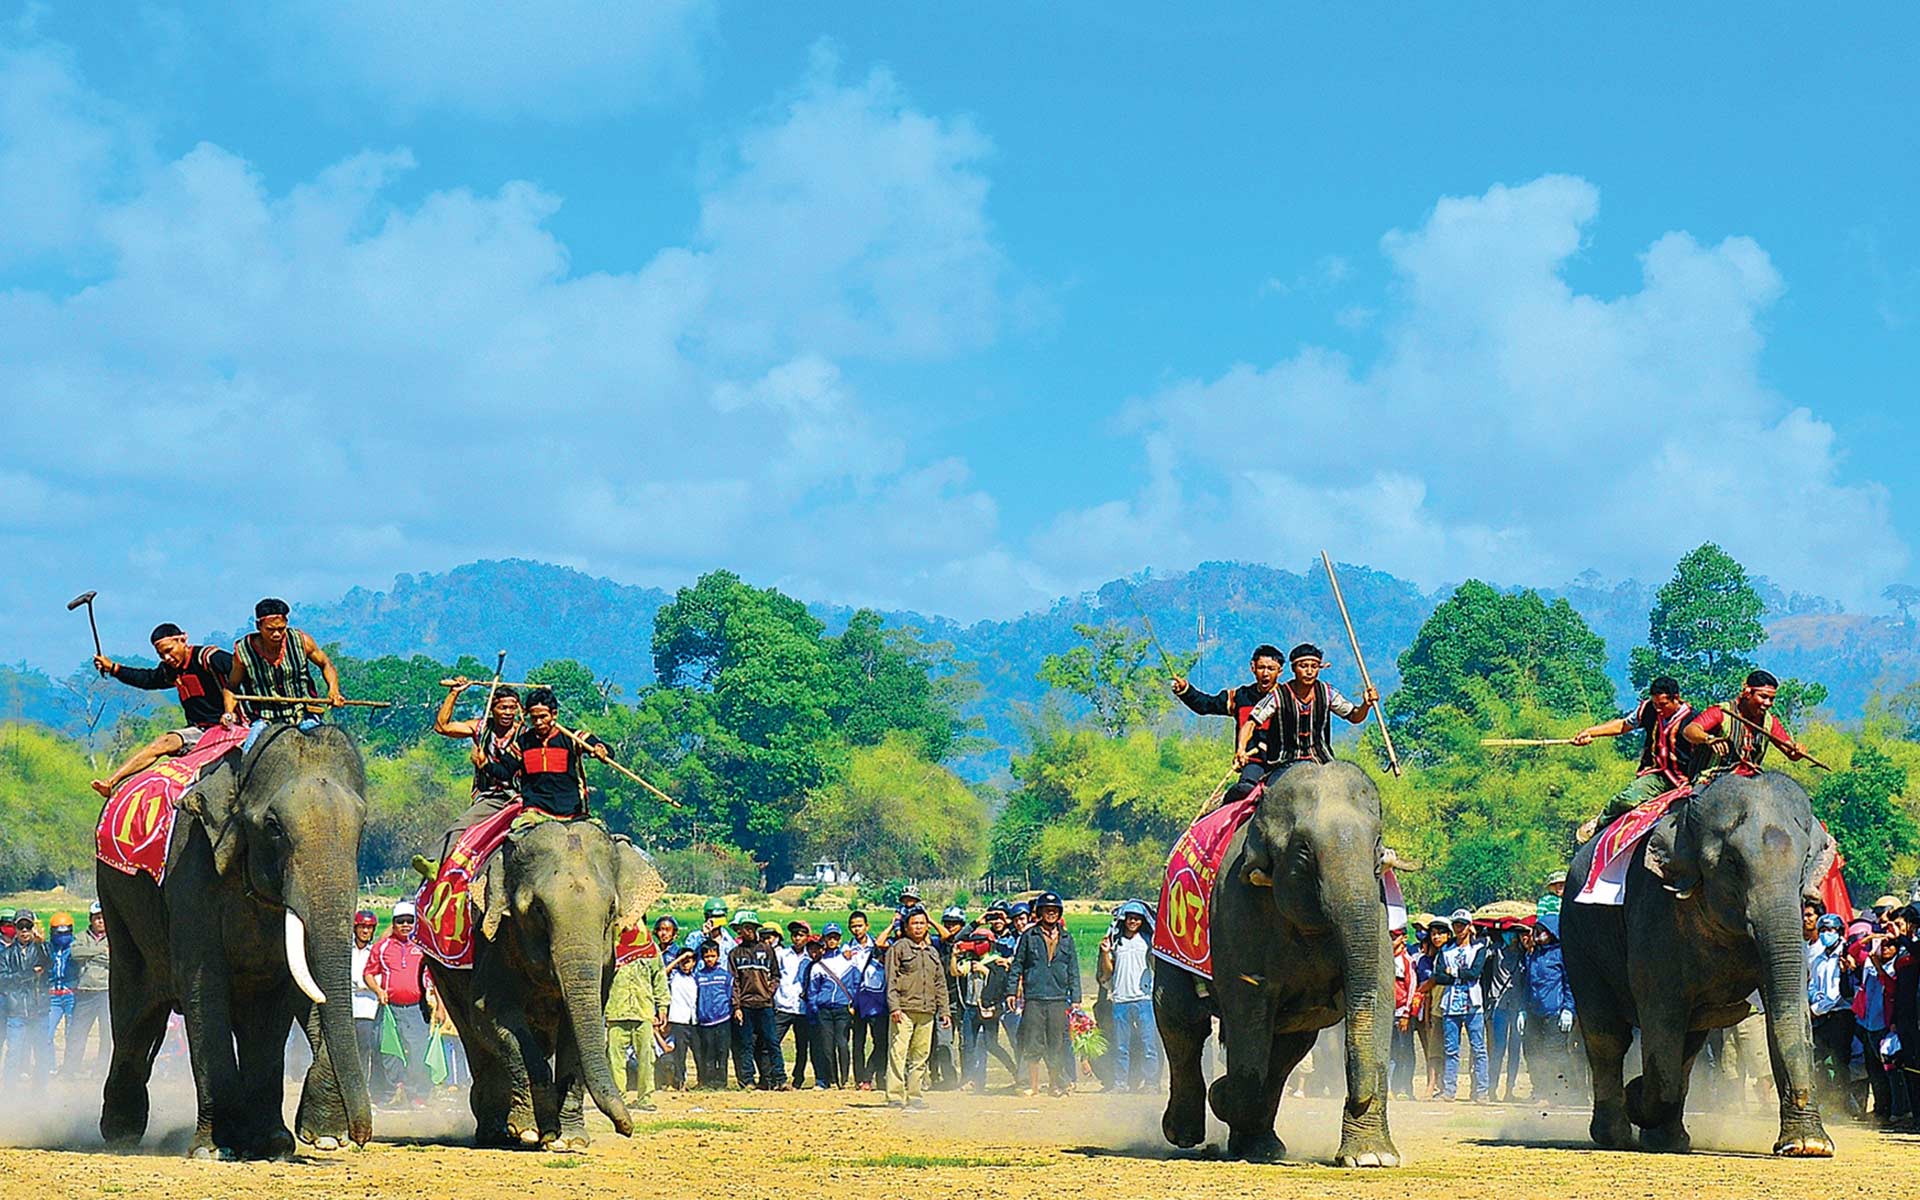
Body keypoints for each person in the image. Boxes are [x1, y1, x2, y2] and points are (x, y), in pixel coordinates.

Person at [1237, 644, 1377, 882]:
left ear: (1319, 668)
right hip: (1285, 764)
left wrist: (1366, 704)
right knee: (1267, 805)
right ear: (1294, 669)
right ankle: (1260, 861)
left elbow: (1354, 716)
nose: (1309, 671)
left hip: (1322, 763)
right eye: (1304, 666)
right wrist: (1241, 748)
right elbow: (1252, 721)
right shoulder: (1278, 695)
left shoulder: (1327, 693)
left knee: (1357, 796)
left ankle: (1375, 853)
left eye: (1313, 666)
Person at [89, 623, 237, 797]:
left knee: (164, 742)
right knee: (163, 743)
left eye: (169, 650)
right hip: (200, 731)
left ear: (183, 639)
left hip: (229, 727)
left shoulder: (209, 658)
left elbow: (242, 672)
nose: (167, 657)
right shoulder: (170, 671)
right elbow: (147, 679)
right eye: (161, 654)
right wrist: (113, 668)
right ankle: (110, 782)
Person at [1570, 676, 1698, 841]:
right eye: (1655, 704)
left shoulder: (1694, 721)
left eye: (1663, 705)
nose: (1658, 709)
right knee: (1627, 800)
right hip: (1657, 775)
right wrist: (1590, 732)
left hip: (1686, 781)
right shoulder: (1647, 710)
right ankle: (1600, 823)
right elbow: (1622, 725)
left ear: (1677, 698)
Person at [418, 676, 524, 872]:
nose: (508, 713)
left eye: (512, 708)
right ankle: (436, 862)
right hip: (490, 797)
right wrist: (454, 693)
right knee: (462, 827)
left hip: (519, 796)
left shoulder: (524, 734)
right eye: (503, 708)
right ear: (492, 709)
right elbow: (442, 727)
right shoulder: (481, 728)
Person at [1171, 644, 1287, 807]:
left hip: (1283, 761)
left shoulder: (1288, 698)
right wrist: (1186, 690)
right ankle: (1224, 803)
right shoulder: (1240, 697)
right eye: (1261, 667)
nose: (1265, 673)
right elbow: (1206, 705)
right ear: (1253, 667)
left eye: (1271, 668)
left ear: (1280, 671)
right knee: (1245, 790)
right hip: (1254, 762)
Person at [224, 598, 344, 726]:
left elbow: (326, 664)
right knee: (252, 745)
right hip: (265, 720)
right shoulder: (243, 651)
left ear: (286, 623)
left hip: (305, 714)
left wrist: (334, 690)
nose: (276, 634)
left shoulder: (302, 642)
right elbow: (232, 687)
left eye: (281, 629)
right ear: (259, 626)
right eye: (270, 629)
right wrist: (229, 712)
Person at [499, 686, 612, 818]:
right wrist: (483, 762)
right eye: (534, 718)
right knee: (516, 834)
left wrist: (601, 750)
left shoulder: (574, 738)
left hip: (573, 811)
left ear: (554, 714)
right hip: (535, 811)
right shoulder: (522, 742)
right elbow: (504, 771)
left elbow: (607, 751)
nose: (538, 722)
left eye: (543, 717)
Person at [1009, 891, 1080, 1097]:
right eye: (1046, 910)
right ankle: (1033, 1085)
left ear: (1059, 913)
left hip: (1058, 998)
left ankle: (1053, 1085)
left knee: (1056, 1044)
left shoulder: (1067, 938)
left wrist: (1076, 998)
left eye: (1054, 910)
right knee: (1033, 1043)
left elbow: (1073, 969)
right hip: (1034, 998)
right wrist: (1011, 991)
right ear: (1039, 912)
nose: (1050, 914)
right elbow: (1017, 965)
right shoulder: (1028, 937)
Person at [1681, 670, 1813, 779]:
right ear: (1748, 693)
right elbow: (1690, 730)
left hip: (1752, 781)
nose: (1768, 703)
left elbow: (1791, 753)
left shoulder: (1770, 722)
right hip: (1712, 780)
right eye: (1763, 696)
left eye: (1771, 699)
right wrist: (1708, 739)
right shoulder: (1721, 712)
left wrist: (1798, 750)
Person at [884, 907, 953, 1108]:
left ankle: (915, 1094)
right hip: (903, 1010)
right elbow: (891, 980)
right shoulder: (899, 948)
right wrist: (894, 1007)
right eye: (914, 923)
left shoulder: (932, 952)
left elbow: (940, 983)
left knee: (920, 1055)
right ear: (906, 926)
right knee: (898, 1053)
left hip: (927, 1011)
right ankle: (895, 1095)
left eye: (922, 923)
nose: (919, 927)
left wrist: (944, 1010)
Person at [364, 901, 429, 1107]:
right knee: (390, 1054)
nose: (406, 925)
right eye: (401, 921)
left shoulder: (422, 946)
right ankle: (392, 1093)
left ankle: (413, 1093)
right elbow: (369, 973)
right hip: (390, 1008)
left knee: (418, 1053)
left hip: (416, 1009)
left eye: (410, 921)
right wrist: (378, 990)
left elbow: (432, 975)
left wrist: (434, 998)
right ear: (393, 923)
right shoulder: (382, 947)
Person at [607, 916, 670, 1112]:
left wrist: (662, 1007)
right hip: (616, 1011)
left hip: (643, 1012)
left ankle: (645, 1097)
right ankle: (620, 1098)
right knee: (615, 1059)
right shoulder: (610, 948)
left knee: (646, 1056)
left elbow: (659, 977)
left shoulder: (650, 950)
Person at [1097, 900, 1159, 1093]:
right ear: (1124, 919)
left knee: (1149, 1045)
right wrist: (1105, 953)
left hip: (1144, 999)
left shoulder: (1148, 941)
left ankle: (1151, 1083)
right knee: (1121, 1047)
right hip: (1120, 1000)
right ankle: (1120, 1083)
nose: (1133, 921)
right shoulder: (1116, 942)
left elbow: (1155, 965)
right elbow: (1107, 973)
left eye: (1137, 918)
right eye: (1130, 918)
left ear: (1142, 921)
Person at [1431, 909, 1490, 1103]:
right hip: (1450, 1005)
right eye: (1456, 924)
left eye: (1462, 925)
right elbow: (1439, 976)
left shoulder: (1478, 948)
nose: (1459, 928)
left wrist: (1453, 971)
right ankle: (1449, 1091)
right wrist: (1458, 973)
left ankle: (1482, 1091)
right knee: (1451, 1050)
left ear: (1469, 927)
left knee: (1478, 1048)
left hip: (1473, 1005)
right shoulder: (1446, 950)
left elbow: (1475, 973)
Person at [1522, 913, 1575, 1102]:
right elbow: (1527, 984)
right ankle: (1539, 1089)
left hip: (1555, 1012)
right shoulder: (1532, 955)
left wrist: (1568, 1009)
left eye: (1542, 931)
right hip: (1534, 1012)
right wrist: (1523, 1010)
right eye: (1537, 930)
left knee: (1555, 1053)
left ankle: (1561, 1091)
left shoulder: (1561, 954)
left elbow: (1569, 983)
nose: (1538, 934)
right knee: (1532, 1051)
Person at [1806, 911, 1854, 1112]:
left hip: (1840, 1017)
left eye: (1830, 930)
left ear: (1840, 932)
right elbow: (1812, 985)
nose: (1826, 933)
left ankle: (1843, 1105)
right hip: (1820, 1017)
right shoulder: (1817, 957)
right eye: (1823, 930)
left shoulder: (1844, 955)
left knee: (1840, 1063)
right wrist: (1814, 1003)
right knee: (1816, 1062)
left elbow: (1837, 993)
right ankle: (1824, 1101)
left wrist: (1816, 1009)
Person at [728, 911, 781, 1089]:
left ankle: (780, 1079)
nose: (749, 931)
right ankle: (748, 1080)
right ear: (740, 930)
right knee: (746, 1044)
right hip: (745, 1005)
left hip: (765, 1004)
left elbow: (775, 975)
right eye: (745, 928)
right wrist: (737, 1006)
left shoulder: (767, 950)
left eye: (752, 928)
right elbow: (734, 982)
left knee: (772, 1042)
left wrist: (769, 992)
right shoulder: (735, 954)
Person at [0, 910, 52, 1088]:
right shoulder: (6, 954)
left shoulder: (42, 948)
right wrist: (28, 974)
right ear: (15, 928)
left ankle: (40, 1092)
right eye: (20, 926)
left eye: (28, 926)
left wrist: (41, 942)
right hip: (16, 1012)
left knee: (42, 1054)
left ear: (33, 928)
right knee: (13, 1054)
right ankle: (9, 1094)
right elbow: (3, 979)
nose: (24, 931)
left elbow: (49, 965)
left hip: (40, 1010)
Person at [805, 924, 857, 1089]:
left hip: (843, 1008)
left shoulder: (849, 962)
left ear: (840, 939)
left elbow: (855, 985)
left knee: (842, 1043)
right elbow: (812, 991)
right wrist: (815, 1008)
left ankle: (844, 1079)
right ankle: (831, 1080)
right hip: (824, 1010)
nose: (832, 940)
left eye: (835, 937)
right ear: (824, 939)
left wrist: (854, 1004)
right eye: (829, 937)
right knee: (826, 1046)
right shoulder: (818, 965)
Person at [66, 902, 111, 1074]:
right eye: (97, 918)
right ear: (91, 920)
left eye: (103, 917)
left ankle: (102, 1069)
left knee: (107, 1034)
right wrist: (101, 951)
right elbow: (76, 953)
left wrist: (90, 954)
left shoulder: (115, 937)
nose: (100, 921)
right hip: (85, 991)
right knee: (77, 1032)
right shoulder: (80, 936)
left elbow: (113, 960)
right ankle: (70, 1069)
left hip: (106, 991)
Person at [1485, 921, 1527, 1102]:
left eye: (1514, 933)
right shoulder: (1495, 950)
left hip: (1517, 1007)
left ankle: (1509, 1089)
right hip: (1499, 1006)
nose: (1511, 937)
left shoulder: (1524, 954)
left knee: (1514, 1050)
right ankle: (1492, 1089)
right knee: (1497, 1049)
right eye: (1508, 933)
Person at [849, 914, 890, 1090]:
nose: (857, 929)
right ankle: (861, 1080)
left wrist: (891, 926)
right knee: (858, 1043)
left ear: (867, 926)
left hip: (878, 1004)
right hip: (857, 1002)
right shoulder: (847, 948)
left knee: (881, 1043)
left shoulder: (880, 946)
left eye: (860, 925)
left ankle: (877, 1077)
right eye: (853, 926)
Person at [774, 920, 814, 1089]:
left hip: (802, 1008)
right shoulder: (782, 954)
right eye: (795, 934)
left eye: (801, 935)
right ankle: (776, 1077)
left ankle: (798, 1079)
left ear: (807, 937)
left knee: (802, 1047)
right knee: (773, 1042)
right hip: (783, 1005)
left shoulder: (811, 957)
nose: (797, 938)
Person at [691, 941, 734, 1089]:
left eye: (713, 956)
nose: (710, 959)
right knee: (708, 1052)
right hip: (705, 1022)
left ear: (718, 956)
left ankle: (721, 1081)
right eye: (707, 956)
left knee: (722, 1052)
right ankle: (708, 1081)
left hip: (722, 1020)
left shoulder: (725, 976)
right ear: (702, 957)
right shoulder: (698, 977)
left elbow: (729, 996)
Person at [349, 909, 381, 1091]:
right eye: (362, 927)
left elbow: (378, 979)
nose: (365, 931)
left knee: (364, 1049)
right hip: (348, 1007)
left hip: (368, 1009)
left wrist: (363, 983)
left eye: (369, 927)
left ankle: (361, 1086)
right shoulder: (346, 950)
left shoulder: (376, 951)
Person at [662, 941, 696, 1091]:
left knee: (699, 1052)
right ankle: (679, 1082)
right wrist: (679, 958)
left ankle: (704, 1081)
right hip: (678, 1019)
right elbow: (664, 973)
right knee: (680, 1054)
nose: (685, 965)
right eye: (683, 962)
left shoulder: (697, 976)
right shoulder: (675, 976)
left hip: (694, 1019)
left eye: (688, 962)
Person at [1389, 923, 1417, 1100]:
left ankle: (1405, 1087)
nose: (1391, 940)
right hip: (1387, 1012)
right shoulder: (1385, 958)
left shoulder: (1407, 960)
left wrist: (1406, 1013)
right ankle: (1391, 1087)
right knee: (1390, 1051)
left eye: (1394, 937)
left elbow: (1412, 987)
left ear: (1404, 938)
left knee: (1405, 1050)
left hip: (1401, 1012)